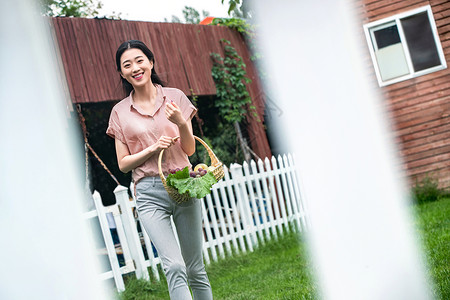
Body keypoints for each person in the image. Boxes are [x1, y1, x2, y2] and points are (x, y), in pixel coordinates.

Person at [106, 40, 213, 300]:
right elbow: (123, 164)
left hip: (184, 185)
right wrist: (152, 149)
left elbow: (189, 150)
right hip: (149, 192)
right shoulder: (119, 112)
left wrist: (181, 123)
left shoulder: (175, 97)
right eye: (127, 65)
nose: (135, 68)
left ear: (151, 62)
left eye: (140, 60)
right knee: (174, 266)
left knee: (195, 268)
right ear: (122, 73)